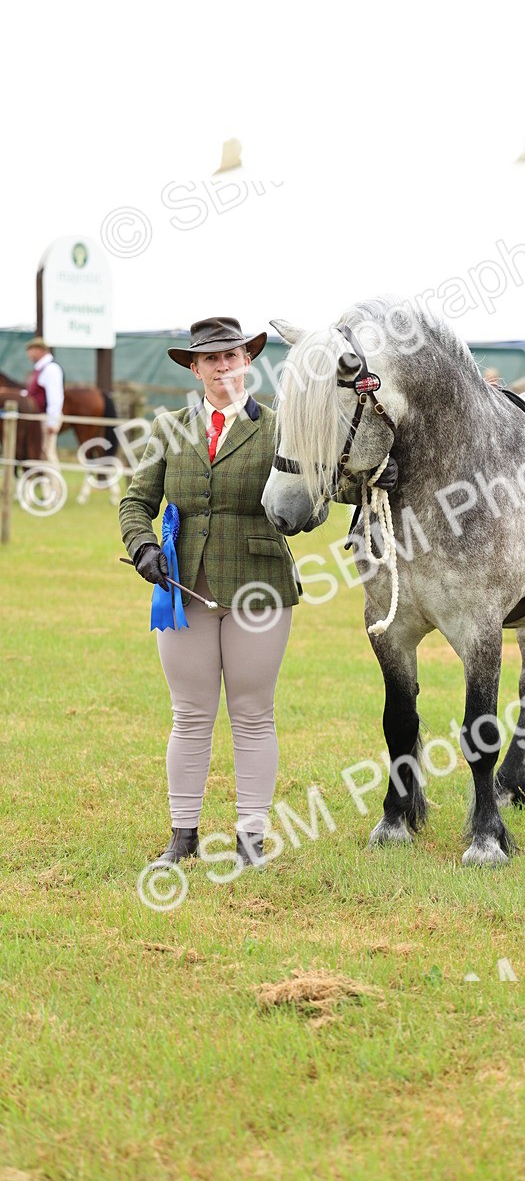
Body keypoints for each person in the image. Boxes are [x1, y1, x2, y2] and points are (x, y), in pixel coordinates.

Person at [118, 317, 302, 869]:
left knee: (253, 713)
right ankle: (183, 836)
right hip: (184, 588)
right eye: (211, 359)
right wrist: (143, 546)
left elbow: (310, 500)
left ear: (248, 361)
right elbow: (136, 502)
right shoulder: (168, 428)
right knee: (191, 714)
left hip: (259, 587)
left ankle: (251, 839)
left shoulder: (281, 428)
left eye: (232, 355)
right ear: (195, 369)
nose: (223, 366)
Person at [24, 337, 64, 466]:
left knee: (47, 452)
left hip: (46, 417)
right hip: (40, 416)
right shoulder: (41, 369)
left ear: (39, 350)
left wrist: (52, 421)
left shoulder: (51, 369)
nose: (28, 355)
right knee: (40, 452)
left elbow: (55, 396)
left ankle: (54, 480)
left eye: (30, 351)